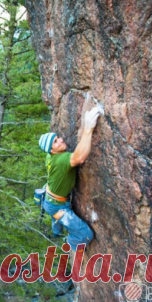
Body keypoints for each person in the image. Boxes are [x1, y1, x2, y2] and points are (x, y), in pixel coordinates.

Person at [37, 102, 104, 256]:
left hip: (51, 199)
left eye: (58, 137)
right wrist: (88, 129)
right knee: (85, 235)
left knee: (56, 217)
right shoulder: (60, 160)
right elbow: (79, 157)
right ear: (52, 150)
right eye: (55, 142)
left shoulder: (51, 156)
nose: (60, 140)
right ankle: (70, 243)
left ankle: (57, 228)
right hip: (57, 206)